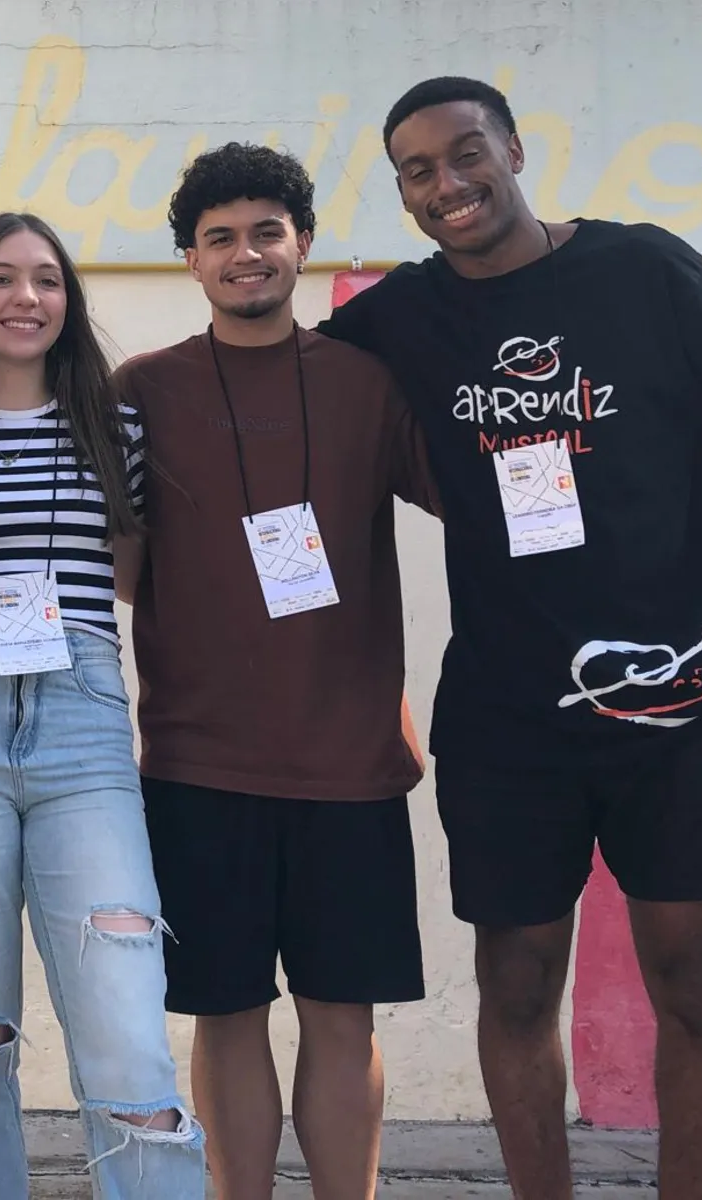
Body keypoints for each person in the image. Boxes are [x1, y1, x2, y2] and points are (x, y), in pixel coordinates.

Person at [319, 75, 702, 1199]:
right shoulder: (399, 317)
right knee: (514, 986)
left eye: (464, 153)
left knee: (697, 982)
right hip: (507, 720)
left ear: (512, 149)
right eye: (415, 171)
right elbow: (277, 388)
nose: (445, 184)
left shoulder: (641, 267)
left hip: (687, 703)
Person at [112, 142, 439, 1200]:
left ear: (299, 244)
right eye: (219, 239)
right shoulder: (139, 390)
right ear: (189, 261)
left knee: (344, 1014)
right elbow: (105, 563)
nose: (244, 254)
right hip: (198, 761)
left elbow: (483, 506)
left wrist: (655, 530)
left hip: (349, 761)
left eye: (265, 232)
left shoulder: (366, 382)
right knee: (225, 1010)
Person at [0, 211, 207, 1199]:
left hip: (83, 720)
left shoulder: (119, 432)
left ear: (68, 301)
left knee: (122, 1012)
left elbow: (137, 576)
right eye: (1, 278)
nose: (26, 298)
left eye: (47, 280)